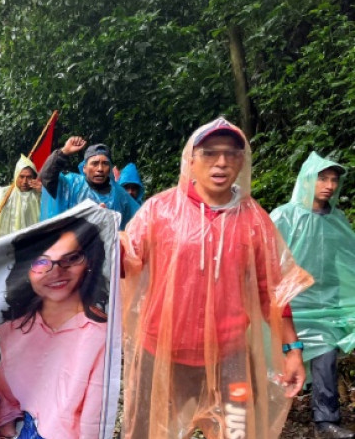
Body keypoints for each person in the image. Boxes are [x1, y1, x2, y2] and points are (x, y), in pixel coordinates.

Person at [121, 117, 313, 439]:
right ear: (191, 160)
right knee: (145, 431)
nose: (221, 162)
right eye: (210, 153)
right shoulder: (160, 210)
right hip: (161, 355)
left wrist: (292, 350)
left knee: (238, 431)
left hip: (231, 359)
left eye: (231, 154)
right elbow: (127, 261)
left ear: (242, 161)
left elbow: (274, 292)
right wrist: (101, 240)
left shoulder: (254, 219)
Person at [0, 217, 109, 439]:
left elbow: (93, 422)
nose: (56, 272)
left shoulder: (99, 335)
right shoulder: (8, 333)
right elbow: (4, 402)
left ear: (89, 262)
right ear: (26, 271)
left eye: (71, 258)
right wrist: (7, 430)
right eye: (41, 262)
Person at [271, 152, 355, 439]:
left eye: (333, 179)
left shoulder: (337, 220)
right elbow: (269, 259)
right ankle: (270, 415)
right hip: (292, 306)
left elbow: (346, 261)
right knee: (276, 358)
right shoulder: (285, 215)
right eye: (322, 178)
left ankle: (326, 420)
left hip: (327, 306)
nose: (329, 185)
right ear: (308, 179)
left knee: (326, 356)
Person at [40, 138, 139, 229]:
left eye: (105, 164)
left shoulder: (120, 195)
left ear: (109, 168)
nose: (100, 169)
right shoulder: (71, 185)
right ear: (84, 168)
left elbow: (138, 221)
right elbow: (47, 176)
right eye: (94, 163)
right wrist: (64, 152)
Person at [0, 155, 42, 242]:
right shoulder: (3, 193)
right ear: (16, 175)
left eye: (28, 177)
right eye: (21, 177)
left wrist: (44, 191)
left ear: (34, 177)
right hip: (6, 243)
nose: (24, 181)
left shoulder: (38, 195)